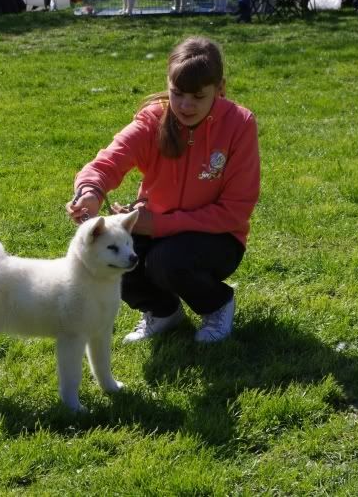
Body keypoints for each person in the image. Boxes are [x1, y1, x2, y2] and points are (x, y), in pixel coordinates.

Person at [66, 37, 260, 344]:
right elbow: (109, 161)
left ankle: (217, 305)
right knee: (108, 252)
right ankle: (163, 311)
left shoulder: (240, 124)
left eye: (198, 96)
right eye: (177, 93)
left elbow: (234, 212)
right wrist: (90, 190)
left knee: (166, 261)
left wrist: (157, 224)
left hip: (219, 237)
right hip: (154, 226)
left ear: (220, 89)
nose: (185, 105)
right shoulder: (152, 119)